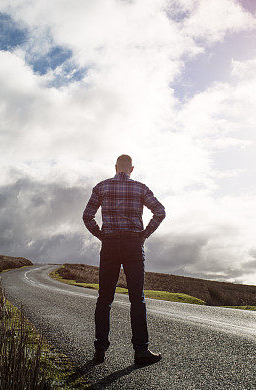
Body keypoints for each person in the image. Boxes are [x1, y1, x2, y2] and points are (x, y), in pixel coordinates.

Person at [82, 154, 166, 366]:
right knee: (137, 298)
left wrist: (101, 235)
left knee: (105, 299)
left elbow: (87, 216)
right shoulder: (140, 188)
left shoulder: (101, 187)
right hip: (133, 244)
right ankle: (141, 351)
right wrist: (145, 233)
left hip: (110, 244)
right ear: (131, 169)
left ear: (116, 167)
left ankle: (100, 350)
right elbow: (160, 211)